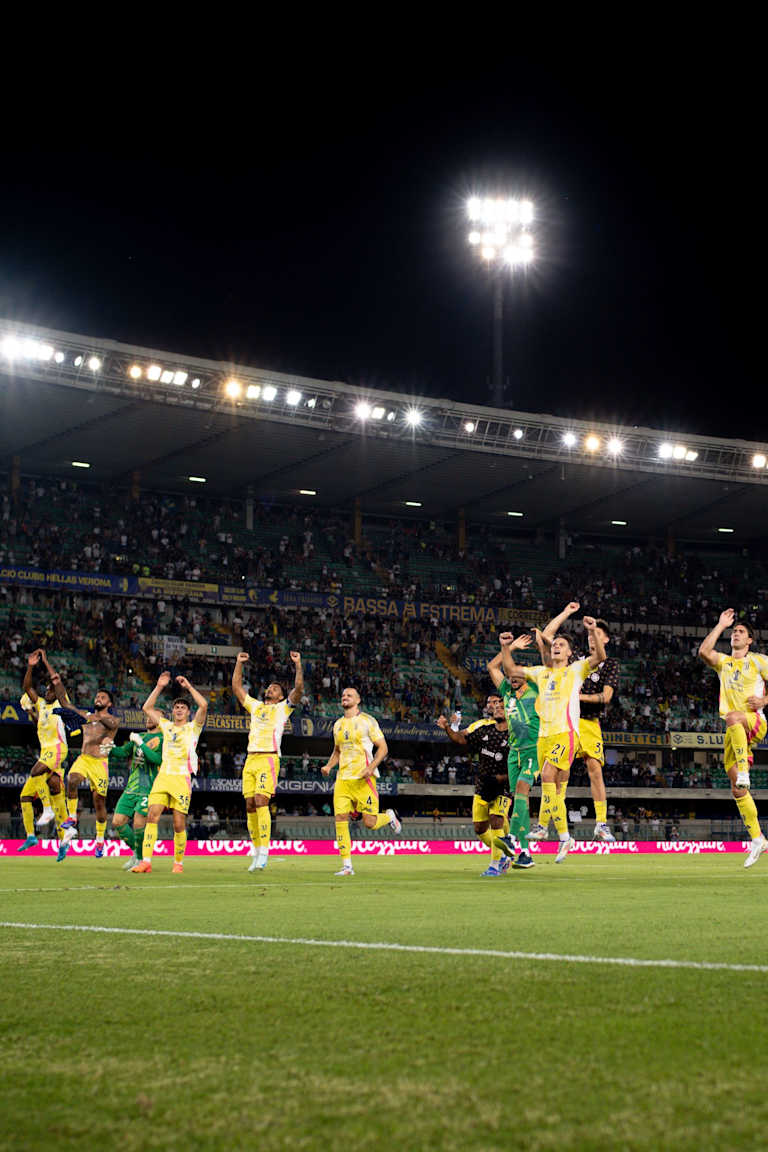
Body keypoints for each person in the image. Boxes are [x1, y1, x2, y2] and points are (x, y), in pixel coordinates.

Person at [500, 616, 605, 863]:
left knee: (547, 776)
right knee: (555, 790)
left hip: (566, 734)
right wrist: (506, 648)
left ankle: (541, 828)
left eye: (561, 644)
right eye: (554, 643)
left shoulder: (575, 671)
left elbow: (599, 658)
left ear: (569, 653)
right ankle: (564, 836)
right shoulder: (540, 673)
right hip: (543, 738)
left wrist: (591, 630)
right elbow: (511, 670)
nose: (556, 646)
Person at [541, 604, 619, 842]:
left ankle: (601, 824)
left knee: (595, 770)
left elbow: (606, 698)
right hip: (567, 722)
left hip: (590, 723)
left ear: (605, 638)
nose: (591, 637)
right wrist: (565, 613)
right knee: (558, 773)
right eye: (588, 634)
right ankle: (545, 824)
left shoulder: (610, 664)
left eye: (596, 633)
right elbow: (546, 637)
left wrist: (576, 696)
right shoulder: (576, 660)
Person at [698, 609, 768, 867]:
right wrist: (719, 625)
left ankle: (745, 772)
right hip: (734, 731)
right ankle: (758, 838)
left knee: (734, 716)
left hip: (754, 721)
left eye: (740, 632)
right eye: (734, 632)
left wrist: (764, 700)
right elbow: (704, 652)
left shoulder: (760, 661)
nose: (735, 634)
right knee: (736, 789)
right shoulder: (725, 663)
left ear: (750, 640)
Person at [232, 650, 303, 872]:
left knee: (262, 800)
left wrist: (298, 665)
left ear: (281, 696)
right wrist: (238, 664)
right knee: (250, 804)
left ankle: (264, 851)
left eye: (275, 688)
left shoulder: (283, 708)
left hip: (268, 758)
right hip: (250, 758)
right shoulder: (256, 706)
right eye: (269, 687)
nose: (270, 689)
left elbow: (299, 689)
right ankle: (255, 851)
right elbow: (236, 688)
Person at [131, 672, 208, 874]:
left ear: (188, 713)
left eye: (183, 707)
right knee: (152, 816)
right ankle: (145, 862)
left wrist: (189, 686)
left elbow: (204, 706)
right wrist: (159, 686)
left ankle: (178, 863)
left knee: (178, 823)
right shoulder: (165, 725)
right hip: (163, 776)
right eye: (176, 707)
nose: (179, 709)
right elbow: (146, 708)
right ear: (172, 712)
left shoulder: (193, 728)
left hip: (182, 779)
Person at [320, 687, 400, 876]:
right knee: (340, 819)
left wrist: (371, 767)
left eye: (349, 695)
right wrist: (329, 766)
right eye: (343, 695)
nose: (344, 697)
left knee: (369, 823)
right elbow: (337, 751)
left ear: (358, 700)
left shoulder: (367, 721)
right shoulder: (337, 725)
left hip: (364, 779)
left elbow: (383, 748)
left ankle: (389, 816)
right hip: (343, 780)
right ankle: (347, 866)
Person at [436, 693, 512, 877]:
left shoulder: (515, 732)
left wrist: (507, 777)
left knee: (496, 820)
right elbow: (460, 739)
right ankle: (504, 850)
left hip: (504, 785)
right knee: (479, 829)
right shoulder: (483, 728)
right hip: (483, 784)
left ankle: (495, 864)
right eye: (493, 705)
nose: (496, 707)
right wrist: (447, 727)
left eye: (500, 705)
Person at [487, 641, 540, 869]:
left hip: (533, 750)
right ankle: (526, 853)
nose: (513, 677)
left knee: (520, 790)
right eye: (512, 674)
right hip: (513, 753)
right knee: (521, 800)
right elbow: (492, 667)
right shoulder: (507, 693)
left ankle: (512, 839)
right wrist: (509, 648)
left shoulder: (537, 691)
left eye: (519, 674)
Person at [17, 649, 71, 856]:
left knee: (36, 772)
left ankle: (47, 809)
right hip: (46, 755)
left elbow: (56, 682)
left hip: (58, 749)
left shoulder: (60, 703)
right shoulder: (40, 706)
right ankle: (33, 836)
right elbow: (27, 687)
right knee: (26, 796)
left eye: (51, 689)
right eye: (46, 690)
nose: (49, 691)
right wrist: (30, 666)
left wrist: (45, 661)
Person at [59, 690, 120, 857]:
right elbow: (66, 704)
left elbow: (113, 725)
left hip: (100, 763)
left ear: (109, 704)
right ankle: (72, 817)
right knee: (71, 779)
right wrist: (57, 683)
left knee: (99, 803)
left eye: (102, 697)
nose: (98, 698)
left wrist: (96, 717)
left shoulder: (112, 719)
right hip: (84, 758)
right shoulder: (87, 716)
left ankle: (100, 840)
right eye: (97, 696)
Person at [109, 723, 164, 870]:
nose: (148, 718)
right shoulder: (139, 736)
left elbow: (157, 760)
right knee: (117, 821)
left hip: (148, 788)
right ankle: (136, 853)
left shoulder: (164, 738)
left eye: (152, 715)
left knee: (139, 824)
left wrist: (140, 744)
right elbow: (122, 752)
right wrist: (109, 748)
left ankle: (140, 859)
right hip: (131, 787)